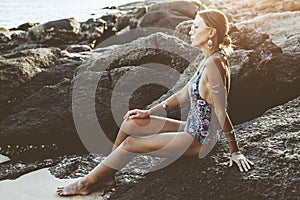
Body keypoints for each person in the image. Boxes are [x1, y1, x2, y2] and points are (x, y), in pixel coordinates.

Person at [57, 9, 254, 196]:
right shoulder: (208, 59)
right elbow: (184, 93)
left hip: (201, 140)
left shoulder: (214, 64)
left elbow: (221, 110)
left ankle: (86, 183)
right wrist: (149, 113)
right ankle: (107, 174)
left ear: (210, 32)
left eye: (196, 26)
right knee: (131, 122)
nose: (190, 30)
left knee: (130, 143)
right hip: (191, 128)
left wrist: (235, 151)